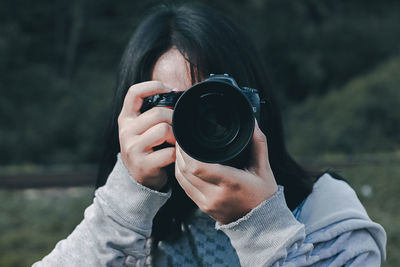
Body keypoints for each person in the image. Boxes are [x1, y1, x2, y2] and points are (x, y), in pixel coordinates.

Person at [33, 3, 386, 266]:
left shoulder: (326, 211)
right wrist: (125, 205)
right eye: (171, 104)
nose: (198, 122)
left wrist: (263, 230)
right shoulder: (134, 225)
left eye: (214, 103)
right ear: (134, 116)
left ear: (255, 104)